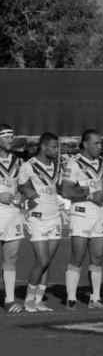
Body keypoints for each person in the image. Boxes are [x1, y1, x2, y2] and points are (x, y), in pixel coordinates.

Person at [61, 129, 103, 310]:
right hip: (81, 214)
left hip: (99, 214)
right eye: (96, 143)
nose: (100, 146)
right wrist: (92, 195)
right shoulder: (73, 163)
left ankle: (95, 299)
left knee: (98, 257)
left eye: (101, 143)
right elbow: (66, 191)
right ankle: (71, 299)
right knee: (78, 256)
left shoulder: (102, 163)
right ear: (85, 144)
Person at [19, 132, 62, 312]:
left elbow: (58, 188)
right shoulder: (28, 166)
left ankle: (38, 300)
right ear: (43, 147)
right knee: (42, 260)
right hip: (37, 218)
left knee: (48, 261)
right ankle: (29, 300)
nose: (56, 150)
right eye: (53, 146)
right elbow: (21, 185)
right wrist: (28, 192)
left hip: (55, 217)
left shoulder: (57, 166)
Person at [0, 125, 25, 313]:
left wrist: (23, 196)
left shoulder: (18, 161)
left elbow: (24, 185)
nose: (10, 139)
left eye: (11, 136)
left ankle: (9, 300)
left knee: (12, 257)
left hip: (13, 214)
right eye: (6, 136)